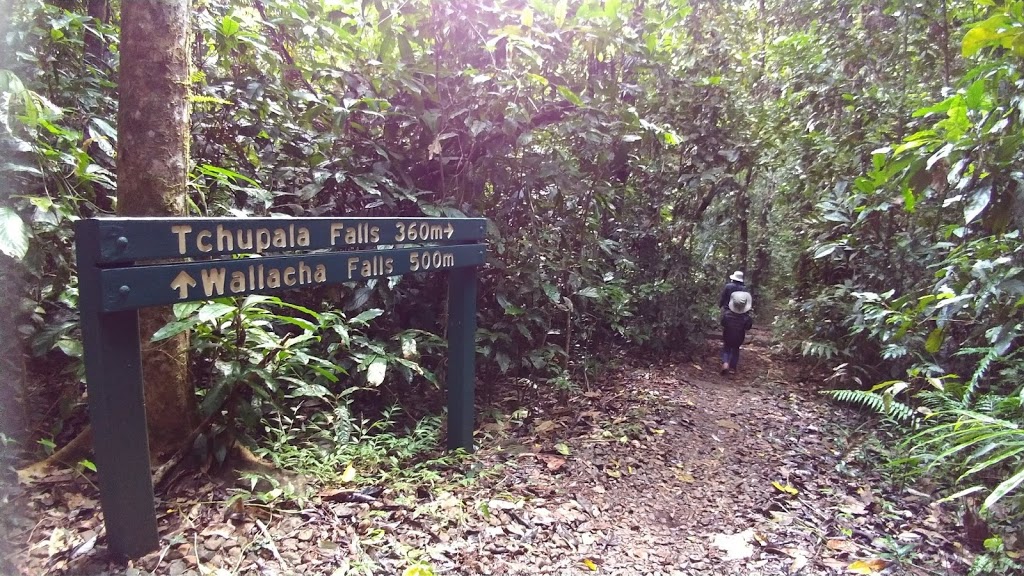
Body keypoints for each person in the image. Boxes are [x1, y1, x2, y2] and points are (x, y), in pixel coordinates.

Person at [721, 291, 753, 375]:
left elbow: (723, 323)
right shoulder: (746, 318)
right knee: (735, 350)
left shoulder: (727, 314)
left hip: (727, 334)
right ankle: (732, 368)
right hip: (739, 336)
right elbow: (748, 327)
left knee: (726, 348)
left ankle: (725, 363)